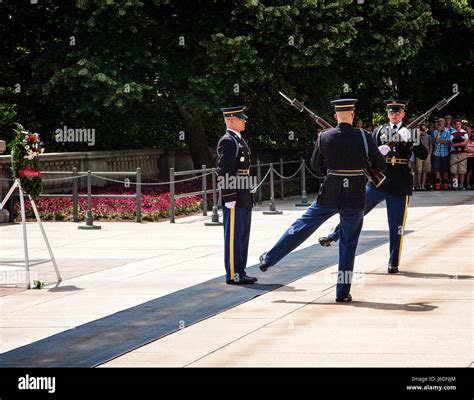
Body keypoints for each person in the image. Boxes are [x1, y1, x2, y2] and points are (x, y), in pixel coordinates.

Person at [258, 99, 386, 302]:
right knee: (348, 242)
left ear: (336, 116)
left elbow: (316, 166)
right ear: (352, 115)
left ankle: (269, 259)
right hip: (354, 194)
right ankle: (342, 293)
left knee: (302, 225)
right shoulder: (364, 136)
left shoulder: (324, 136)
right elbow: (381, 165)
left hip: (330, 192)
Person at [318, 100, 428, 274]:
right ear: (387, 114)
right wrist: (379, 150)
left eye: (398, 112)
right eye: (391, 112)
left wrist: (413, 141)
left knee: (396, 226)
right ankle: (334, 235)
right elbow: (367, 153)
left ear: (403, 114)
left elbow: (423, 155)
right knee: (356, 210)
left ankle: (393, 262)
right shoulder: (379, 131)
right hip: (378, 181)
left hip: (399, 182)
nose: (394, 114)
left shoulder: (411, 132)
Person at [217, 105, 257, 285]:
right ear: (231, 120)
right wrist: (229, 197)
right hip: (234, 197)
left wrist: (249, 191)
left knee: (242, 236)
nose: (244, 121)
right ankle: (234, 274)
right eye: (241, 119)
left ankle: (241, 270)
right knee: (234, 237)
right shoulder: (228, 141)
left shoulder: (239, 140)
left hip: (243, 195)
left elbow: (243, 171)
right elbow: (225, 171)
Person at [432, 118, 452, 190]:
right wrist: (439, 132)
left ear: (444, 123)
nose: (440, 124)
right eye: (439, 123)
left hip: (445, 153)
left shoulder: (448, 132)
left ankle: (445, 184)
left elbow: (447, 142)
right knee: (437, 170)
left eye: (442, 123)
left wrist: (439, 140)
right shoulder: (435, 132)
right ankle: (438, 185)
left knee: (445, 170)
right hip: (436, 153)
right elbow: (435, 141)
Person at [449, 119, 469, 190]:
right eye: (456, 124)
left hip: (462, 153)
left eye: (459, 124)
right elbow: (452, 143)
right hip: (454, 154)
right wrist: (460, 144)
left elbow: (465, 142)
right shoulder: (452, 133)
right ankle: (455, 185)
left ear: (461, 125)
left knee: (462, 170)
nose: (458, 126)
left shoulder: (465, 133)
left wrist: (457, 144)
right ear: (454, 125)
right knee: (454, 171)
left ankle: (461, 185)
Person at [415, 124, 433, 190]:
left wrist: (429, 155)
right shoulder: (417, 137)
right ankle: (418, 185)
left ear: (426, 129)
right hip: (419, 155)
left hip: (427, 155)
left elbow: (431, 146)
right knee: (419, 171)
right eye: (421, 129)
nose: (422, 131)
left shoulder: (429, 137)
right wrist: (418, 135)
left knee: (425, 171)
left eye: (423, 129)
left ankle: (423, 185)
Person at [465, 125, 474, 189]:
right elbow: (465, 149)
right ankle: (468, 185)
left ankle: (472, 184)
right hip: (467, 157)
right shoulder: (465, 138)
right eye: (467, 130)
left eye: (469, 129)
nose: (469, 131)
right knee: (468, 171)